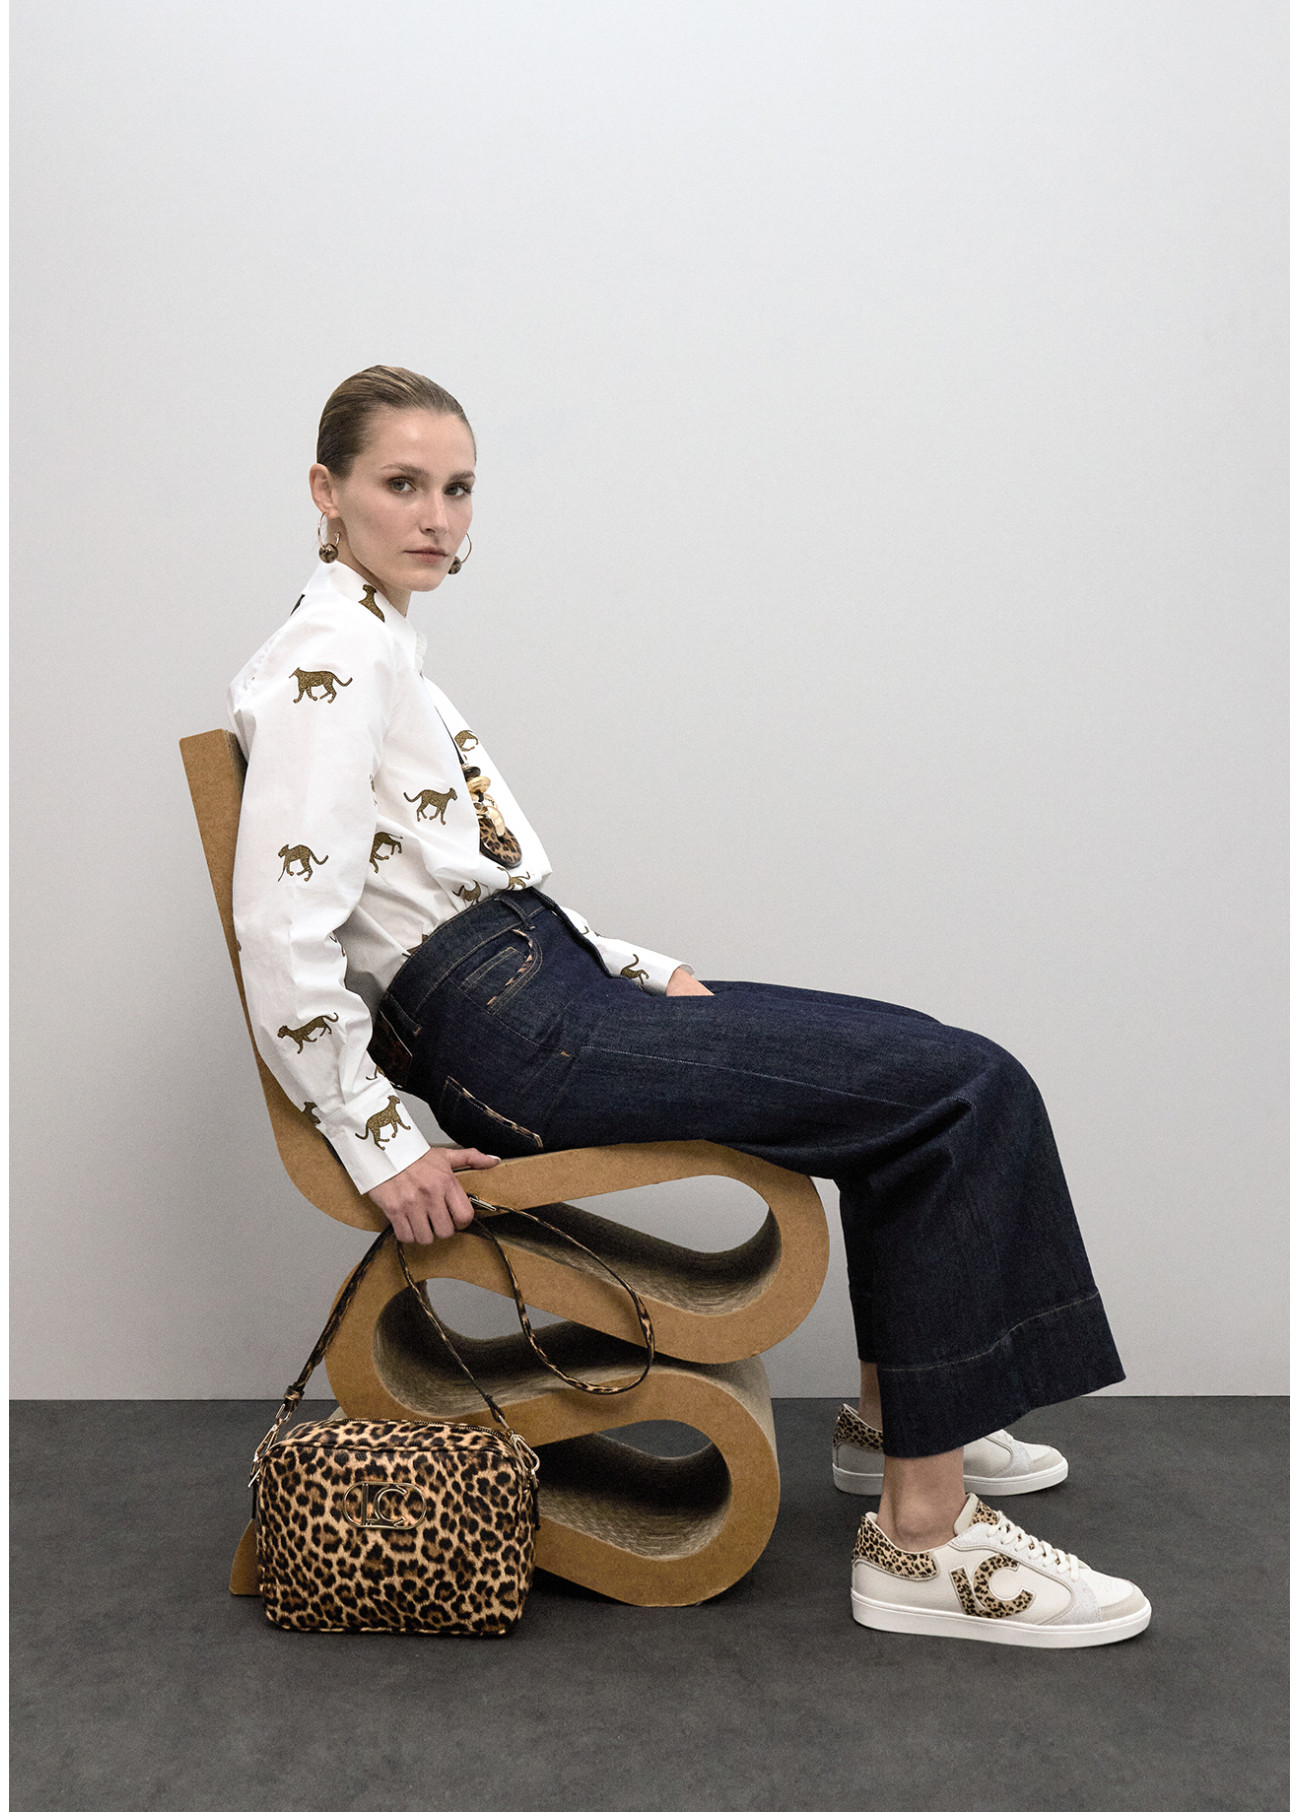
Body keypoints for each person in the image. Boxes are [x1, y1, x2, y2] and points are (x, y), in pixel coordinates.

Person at [227, 364, 1151, 1648]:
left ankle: (908, 1420)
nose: (437, 516)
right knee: (962, 1089)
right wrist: (375, 1137)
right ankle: (925, 1539)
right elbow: (283, 925)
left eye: (458, 488)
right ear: (326, 493)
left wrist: (625, 962)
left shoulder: (375, 643)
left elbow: (451, 878)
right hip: (518, 1033)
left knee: (930, 1071)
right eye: (402, 484)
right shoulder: (327, 661)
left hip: (538, 994)